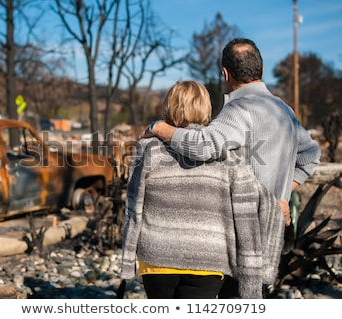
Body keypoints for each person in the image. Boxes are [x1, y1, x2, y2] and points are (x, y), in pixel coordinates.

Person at [140, 38, 321, 298]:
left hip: (239, 235)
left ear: (225, 73)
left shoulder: (239, 109)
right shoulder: (284, 111)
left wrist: (158, 127)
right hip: (269, 232)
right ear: (261, 69)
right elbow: (311, 156)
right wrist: (280, 196)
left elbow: (202, 146)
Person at [120, 80, 285, 299]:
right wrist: (276, 204)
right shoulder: (229, 155)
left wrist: (127, 259)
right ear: (206, 108)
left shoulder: (148, 149)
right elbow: (247, 207)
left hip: (156, 257)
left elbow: (133, 207)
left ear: (169, 107)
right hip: (209, 260)